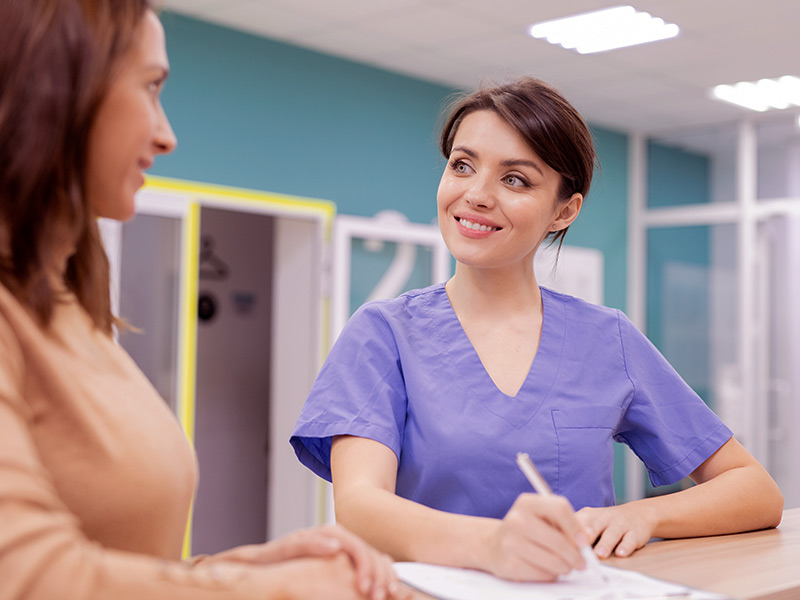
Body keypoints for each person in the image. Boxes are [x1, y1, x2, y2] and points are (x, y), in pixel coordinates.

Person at [290, 76, 785, 583]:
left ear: (563, 211)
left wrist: (643, 514)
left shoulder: (606, 339)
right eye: (462, 165)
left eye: (515, 180)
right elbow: (360, 506)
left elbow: (754, 490)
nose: (477, 195)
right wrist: (491, 544)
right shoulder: (383, 334)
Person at [0, 1, 418, 599]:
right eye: (150, 87)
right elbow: (28, 576)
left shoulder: (69, 305)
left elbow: (113, 560)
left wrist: (246, 568)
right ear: (56, 90)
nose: (165, 135)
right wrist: (281, 592)